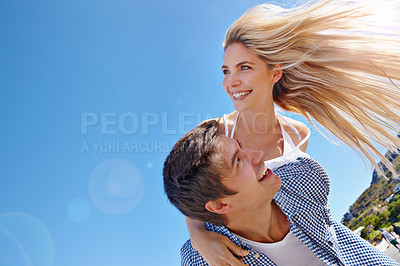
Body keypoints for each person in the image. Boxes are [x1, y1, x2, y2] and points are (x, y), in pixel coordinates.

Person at [182, 0, 400, 264]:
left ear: (275, 73)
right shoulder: (215, 135)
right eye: (226, 71)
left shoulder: (297, 134)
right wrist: (198, 236)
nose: (231, 82)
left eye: (244, 67)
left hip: (338, 252)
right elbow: (193, 193)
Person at [163, 120, 400, 265]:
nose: (258, 156)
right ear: (219, 205)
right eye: (238, 161)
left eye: (242, 147)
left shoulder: (301, 178)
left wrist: (196, 231)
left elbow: (295, 131)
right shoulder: (202, 259)